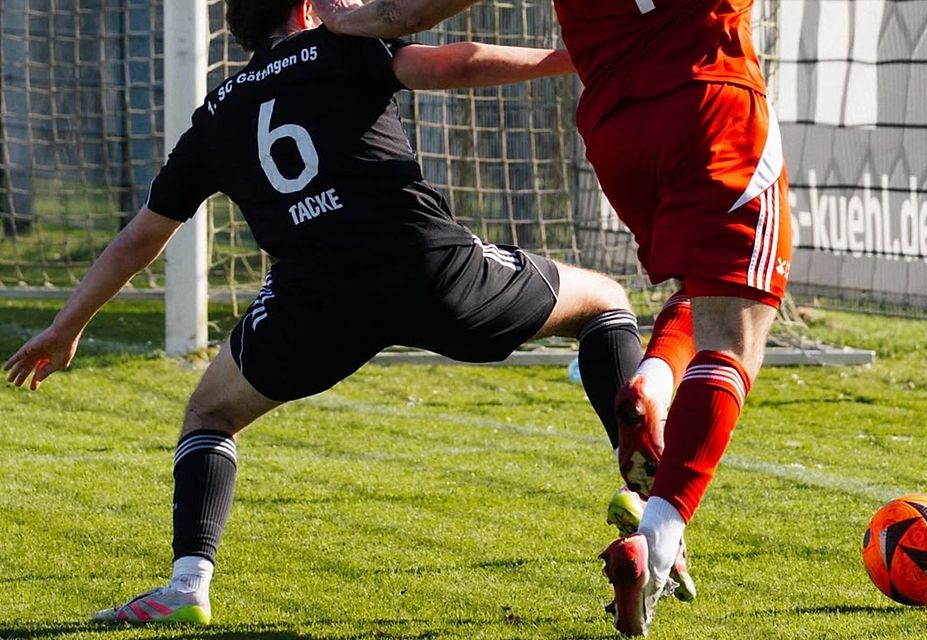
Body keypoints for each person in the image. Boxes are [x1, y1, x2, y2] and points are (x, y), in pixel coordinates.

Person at [1, 0, 665, 626]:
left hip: (317, 300)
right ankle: (642, 491)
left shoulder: (216, 114)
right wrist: (566, 57)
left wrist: (66, 328)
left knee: (209, 415)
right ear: (307, 8)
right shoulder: (343, 44)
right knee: (605, 300)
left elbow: (140, 238)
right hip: (427, 268)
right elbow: (451, 63)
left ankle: (187, 585)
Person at [312, 0, 793, 636]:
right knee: (735, 338)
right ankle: (657, 539)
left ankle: (652, 384)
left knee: (705, 290)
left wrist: (343, 17)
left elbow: (411, 14)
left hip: (617, 131)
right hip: (711, 103)